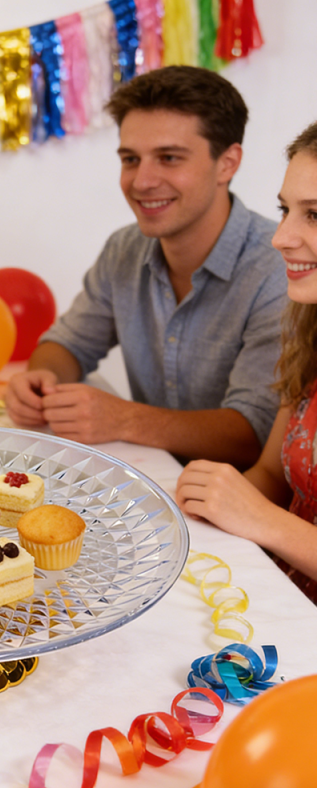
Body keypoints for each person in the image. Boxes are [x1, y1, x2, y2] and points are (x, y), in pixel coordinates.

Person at [6, 66, 287, 470]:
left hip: (241, 499)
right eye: (130, 159)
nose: (142, 181)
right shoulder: (124, 249)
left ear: (227, 163)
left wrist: (125, 419)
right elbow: (69, 344)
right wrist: (40, 380)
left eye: (169, 158)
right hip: (152, 481)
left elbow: (255, 436)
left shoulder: (280, 266)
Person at [176, 122, 317, 603]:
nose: (281, 237)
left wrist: (261, 520)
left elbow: (266, 514)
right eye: (285, 210)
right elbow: (273, 477)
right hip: (275, 597)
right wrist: (211, 499)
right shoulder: (307, 330)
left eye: (314, 215)